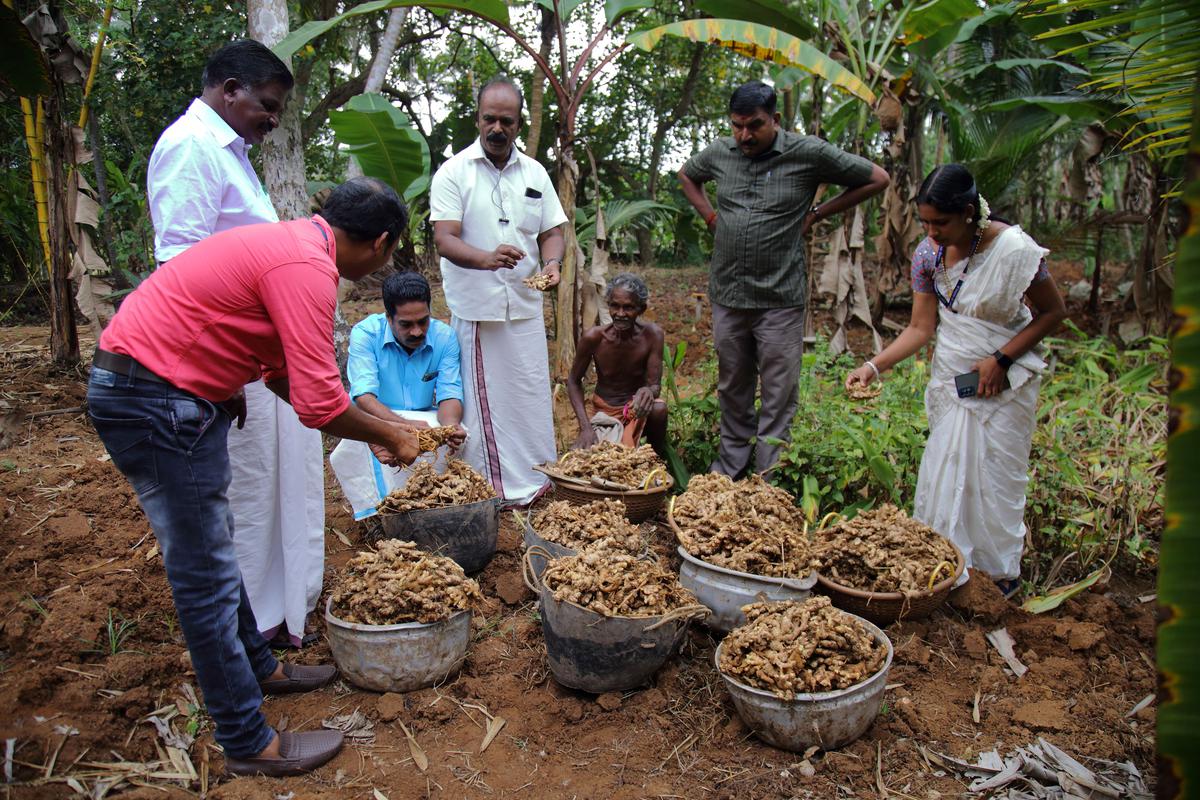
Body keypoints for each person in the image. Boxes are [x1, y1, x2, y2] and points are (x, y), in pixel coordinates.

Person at [88, 177, 418, 776]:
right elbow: (318, 404)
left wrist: (373, 420)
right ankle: (246, 740)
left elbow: (282, 377)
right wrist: (391, 435)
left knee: (218, 551)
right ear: (382, 242)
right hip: (153, 399)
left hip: (167, 391)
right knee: (205, 574)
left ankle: (261, 668)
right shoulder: (307, 268)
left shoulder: (293, 245)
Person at [147, 39, 324, 648]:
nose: (273, 119)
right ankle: (248, 632)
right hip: (227, 365)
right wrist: (219, 376)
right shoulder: (191, 149)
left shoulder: (232, 151)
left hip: (255, 358)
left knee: (275, 481)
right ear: (230, 90)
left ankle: (276, 614)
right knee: (245, 491)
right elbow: (181, 269)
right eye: (267, 105)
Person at [844, 164, 1067, 598]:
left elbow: (1054, 313)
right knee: (945, 471)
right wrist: (872, 366)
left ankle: (997, 577)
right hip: (953, 380)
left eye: (940, 222)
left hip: (1006, 384)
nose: (931, 231)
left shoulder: (1015, 251)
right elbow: (920, 328)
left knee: (997, 478)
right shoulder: (927, 255)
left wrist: (1001, 359)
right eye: (925, 222)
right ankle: (945, 569)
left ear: (968, 212)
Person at [679, 79, 890, 478]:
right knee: (732, 388)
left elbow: (877, 178)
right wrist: (710, 216)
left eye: (754, 125)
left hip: (779, 299)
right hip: (728, 293)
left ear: (775, 119)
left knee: (778, 393)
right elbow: (687, 175)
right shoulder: (721, 152)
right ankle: (729, 473)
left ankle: (768, 481)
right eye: (737, 125)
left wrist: (817, 213)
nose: (744, 135)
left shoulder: (806, 152)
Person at [430, 75, 567, 505]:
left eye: (506, 121)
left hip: (524, 306)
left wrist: (551, 264)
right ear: (477, 118)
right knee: (485, 404)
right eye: (490, 119)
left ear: (519, 123)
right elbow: (445, 239)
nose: (497, 129)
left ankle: (537, 479)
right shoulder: (454, 173)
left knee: (527, 396)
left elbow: (552, 230)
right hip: (479, 309)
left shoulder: (536, 173)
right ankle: (492, 489)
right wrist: (486, 258)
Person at [331, 271, 467, 520]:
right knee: (360, 442)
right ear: (389, 317)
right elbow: (364, 397)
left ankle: (439, 506)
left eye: (423, 321)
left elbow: (450, 393)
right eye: (406, 324)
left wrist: (450, 427)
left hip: (425, 420)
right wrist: (403, 427)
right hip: (376, 417)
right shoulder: (366, 334)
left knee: (466, 436)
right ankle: (382, 513)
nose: (417, 331)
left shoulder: (444, 336)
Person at [566, 273, 668, 458]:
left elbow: (655, 385)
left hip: (635, 409)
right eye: (615, 306)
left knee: (659, 409)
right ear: (608, 306)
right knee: (597, 460)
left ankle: (654, 460)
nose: (620, 314)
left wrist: (648, 391)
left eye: (628, 307)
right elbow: (573, 381)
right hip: (604, 410)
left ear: (641, 309)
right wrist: (586, 427)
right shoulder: (594, 338)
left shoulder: (652, 335)